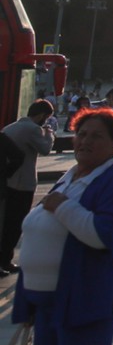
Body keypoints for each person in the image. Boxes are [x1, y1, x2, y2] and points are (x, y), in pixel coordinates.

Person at [13, 106, 113, 345]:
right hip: (48, 304)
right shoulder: (71, 176)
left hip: (84, 303)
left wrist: (63, 207)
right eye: (81, 134)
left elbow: (105, 236)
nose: (85, 141)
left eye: (97, 136)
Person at [0, 101, 56, 276]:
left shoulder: (10, 127)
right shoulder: (33, 129)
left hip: (8, 182)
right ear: (42, 115)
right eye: (47, 117)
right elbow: (45, 149)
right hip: (23, 182)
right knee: (16, 223)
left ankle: (3, 259)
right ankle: (6, 260)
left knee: (5, 222)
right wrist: (49, 134)